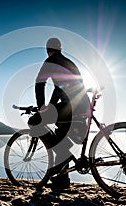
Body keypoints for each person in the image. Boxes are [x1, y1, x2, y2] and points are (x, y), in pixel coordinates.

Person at [28, 38, 90, 189]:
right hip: (82, 106)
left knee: (34, 122)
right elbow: (61, 87)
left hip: (70, 107)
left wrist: (41, 106)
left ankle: (63, 158)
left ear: (47, 50)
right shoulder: (68, 62)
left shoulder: (50, 61)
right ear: (60, 48)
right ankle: (63, 179)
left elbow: (39, 83)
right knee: (60, 137)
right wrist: (51, 106)